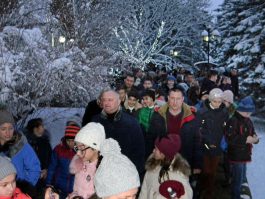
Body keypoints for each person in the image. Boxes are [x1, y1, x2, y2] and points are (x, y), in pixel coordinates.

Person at [92, 89, 145, 179]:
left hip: (124, 174)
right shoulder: (95, 121)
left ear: (119, 101)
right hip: (101, 174)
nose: (106, 103)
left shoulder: (131, 122)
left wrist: (133, 175)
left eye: (110, 100)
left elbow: (139, 152)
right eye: (104, 100)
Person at [196, 88, 228, 199]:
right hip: (204, 146)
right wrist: (206, 141)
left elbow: (225, 129)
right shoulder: (202, 112)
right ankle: (201, 189)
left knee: (212, 172)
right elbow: (199, 130)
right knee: (205, 171)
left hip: (217, 147)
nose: (217, 104)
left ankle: (209, 193)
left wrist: (223, 141)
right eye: (215, 101)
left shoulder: (224, 112)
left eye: (219, 101)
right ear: (210, 100)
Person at [225, 96, 259, 199]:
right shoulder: (233, 120)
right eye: (246, 112)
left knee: (242, 177)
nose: (248, 114)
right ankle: (235, 196)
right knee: (237, 179)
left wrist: (255, 139)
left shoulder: (248, 120)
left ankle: (241, 192)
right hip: (236, 156)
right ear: (240, 110)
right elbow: (230, 138)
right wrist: (246, 139)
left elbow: (253, 132)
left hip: (245, 154)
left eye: (250, 112)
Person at [139, 134, 193, 199]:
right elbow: (144, 192)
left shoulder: (178, 175)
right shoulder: (151, 169)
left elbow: (186, 195)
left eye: (156, 149)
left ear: (163, 153)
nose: (153, 151)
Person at [0, 109, 40, 186]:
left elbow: (35, 169)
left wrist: (25, 188)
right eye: (3, 129)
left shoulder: (21, 145)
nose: (8, 132)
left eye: (11, 128)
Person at [68, 122, 106, 199]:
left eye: (82, 149)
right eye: (77, 148)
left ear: (95, 148)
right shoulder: (79, 164)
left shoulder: (106, 170)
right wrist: (74, 196)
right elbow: (76, 190)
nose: (78, 153)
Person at [46, 125, 81, 198]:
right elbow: (52, 167)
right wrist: (48, 183)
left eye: (73, 141)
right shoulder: (58, 149)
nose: (70, 143)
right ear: (65, 139)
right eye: (68, 140)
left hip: (74, 190)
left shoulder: (81, 151)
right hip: (58, 187)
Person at [137, 89, 166, 160]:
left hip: (156, 142)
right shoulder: (141, 111)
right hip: (145, 141)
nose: (144, 101)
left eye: (147, 98)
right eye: (143, 99)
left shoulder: (159, 111)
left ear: (153, 99)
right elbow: (139, 124)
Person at [24, 118, 52, 189]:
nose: (43, 128)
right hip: (29, 178)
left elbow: (50, 157)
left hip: (43, 178)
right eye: (41, 126)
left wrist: (46, 169)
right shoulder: (27, 143)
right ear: (35, 128)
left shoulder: (46, 142)